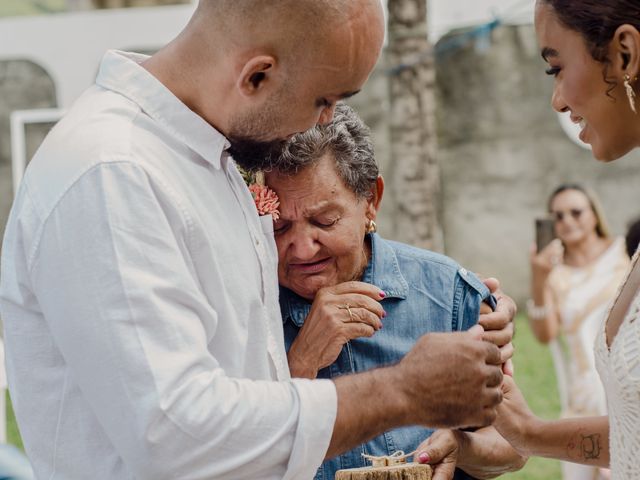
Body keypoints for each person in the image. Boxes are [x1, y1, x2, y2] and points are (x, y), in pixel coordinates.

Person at [0, 1, 505, 479]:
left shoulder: (205, 163)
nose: (326, 121)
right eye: (323, 100)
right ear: (256, 75)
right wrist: (401, 391)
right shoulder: (112, 170)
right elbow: (174, 434)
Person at [265, 103, 523, 480]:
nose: (302, 248)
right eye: (279, 227)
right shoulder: (246, 306)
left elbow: (515, 445)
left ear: (371, 198)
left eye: (325, 221)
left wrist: (461, 446)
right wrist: (301, 364)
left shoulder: (446, 293)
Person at [494, 1, 640, 478]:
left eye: (556, 67)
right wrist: (526, 431)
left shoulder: (620, 252)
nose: (556, 101)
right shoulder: (555, 272)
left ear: (624, 54)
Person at [528, 184, 629, 479]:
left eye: (576, 212)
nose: (567, 221)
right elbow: (545, 334)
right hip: (586, 388)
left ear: (594, 214)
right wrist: (539, 278)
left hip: (629, 374)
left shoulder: (625, 252)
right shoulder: (553, 273)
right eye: (558, 216)